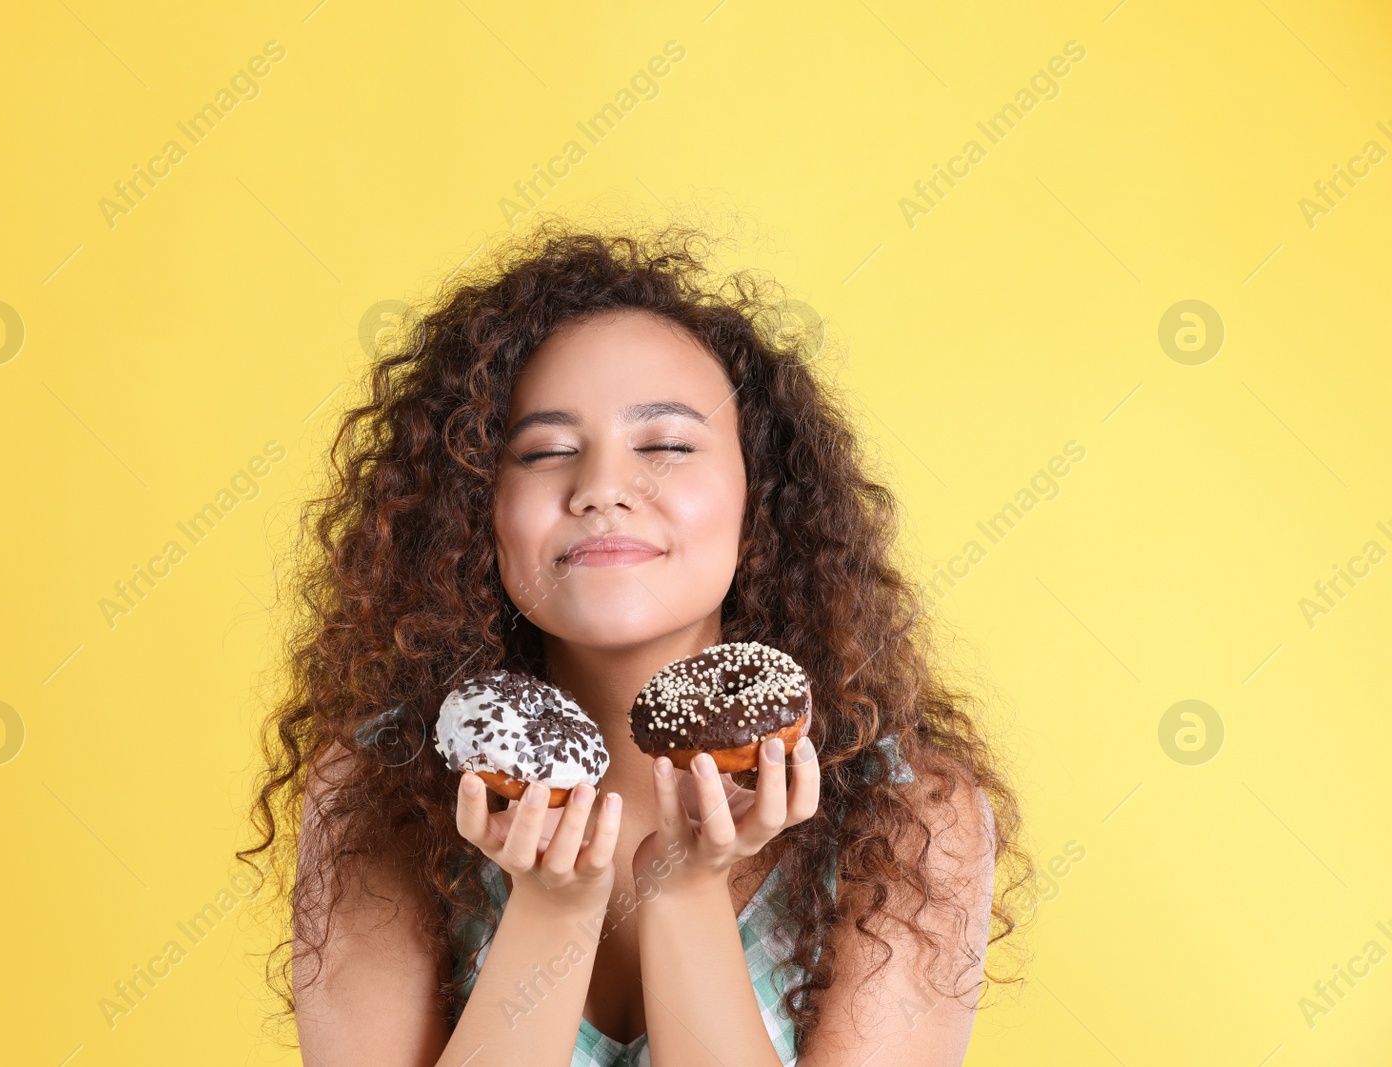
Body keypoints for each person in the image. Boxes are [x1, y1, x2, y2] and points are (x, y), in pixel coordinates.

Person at [239, 219, 1031, 1066]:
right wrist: (550, 914)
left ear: (757, 499)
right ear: (478, 512)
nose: (603, 489)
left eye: (666, 445)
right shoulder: (377, 785)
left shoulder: (909, 813)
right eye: (545, 451)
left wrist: (682, 889)